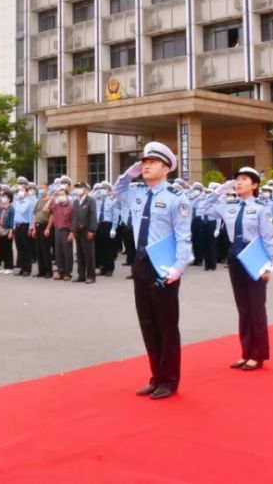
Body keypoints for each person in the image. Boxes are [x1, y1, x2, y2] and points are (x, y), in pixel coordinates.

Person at [114, 142, 192, 401]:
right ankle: (156, 376)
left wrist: (177, 269)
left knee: (166, 325)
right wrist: (131, 172)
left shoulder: (175, 199)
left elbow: (184, 238)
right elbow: (118, 190)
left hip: (164, 266)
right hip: (141, 262)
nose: (146, 165)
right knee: (147, 322)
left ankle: (169, 380)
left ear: (166, 168)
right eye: (144, 162)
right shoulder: (137, 193)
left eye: (152, 162)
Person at [202, 167, 273, 371]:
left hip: (254, 256)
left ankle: (258, 354)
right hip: (235, 257)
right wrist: (219, 190)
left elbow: (268, 238)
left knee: (256, 307)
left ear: (254, 185)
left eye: (244, 179)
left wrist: (272, 265)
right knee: (243, 308)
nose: (239, 182)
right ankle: (246, 352)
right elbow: (202, 207)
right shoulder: (229, 207)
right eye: (237, 179)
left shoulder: (262, 209)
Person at [45, 182, 74, 281]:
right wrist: (53, 197)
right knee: (58, 252)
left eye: (63, 194)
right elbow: (46, 209)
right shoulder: (57, 206)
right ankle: (60, 271)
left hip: (66, 231)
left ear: (67, 195)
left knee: (67, 253)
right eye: (60, 195)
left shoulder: (71, 206)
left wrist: (72, 233)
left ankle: (67, 273)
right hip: (57, 230)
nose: (61, 196)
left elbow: (73, 221)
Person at [71, 181, 98, 283]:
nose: (79, 189)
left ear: (86, 189)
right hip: (78, 231)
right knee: (80, 254)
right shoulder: (76, 201)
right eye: (77, 187)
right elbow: (74, 217)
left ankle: (91, 276)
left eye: (81, 187)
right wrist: (73, 230)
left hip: (87, 230)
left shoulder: (90, 200)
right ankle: (81, 275)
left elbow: (93, 216)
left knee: (89, 254)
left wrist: (92, 230)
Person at [94, 182, 117, 277]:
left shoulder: (112, 201)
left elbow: (115, 216)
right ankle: (102, 267)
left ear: (108, 190)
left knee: (108, 248)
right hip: (98, 225)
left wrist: (114, 228)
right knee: (99, 248)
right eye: (101, 189)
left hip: (108, 225)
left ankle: (109, 269)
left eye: (104, 189)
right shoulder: (97, 200)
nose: (102, 190)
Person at [31, 183, 54, 278]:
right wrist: (34, 228)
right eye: (39, 188)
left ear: (47, 189)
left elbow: (52, 215)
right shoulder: (39, 200)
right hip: (38, 225)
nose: (40, 190)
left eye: (42, 188)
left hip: (46, 225)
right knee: (39, 249)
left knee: (45, 249)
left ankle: (48, 271)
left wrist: (48, 228)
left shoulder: (50, 200)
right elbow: (35, 214)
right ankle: (41, 271)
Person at [13, 183, 35, 276]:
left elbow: (31, 216)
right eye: (19, 190)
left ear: (26, 192)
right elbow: (15, 215)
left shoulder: (30, 202)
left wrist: (31, 228)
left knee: (26, 249)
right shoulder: (17, 202)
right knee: (20, 248)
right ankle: (22, 268)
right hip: (17, 226)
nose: (20, 192)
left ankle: (27, 269)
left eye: (22, 190)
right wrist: (13, 227)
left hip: (25, 226)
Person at [0, 189, 16, 274]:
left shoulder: (11, 209)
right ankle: (4, 266)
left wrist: (11, 231)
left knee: (8, 249)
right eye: (2, 197)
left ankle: (9, 266)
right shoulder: (1, 208)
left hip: (7, 230)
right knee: (2, 249)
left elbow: (12, 221)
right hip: (0, 230)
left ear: (9, 199)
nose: (3, 199)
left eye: (5, 197)